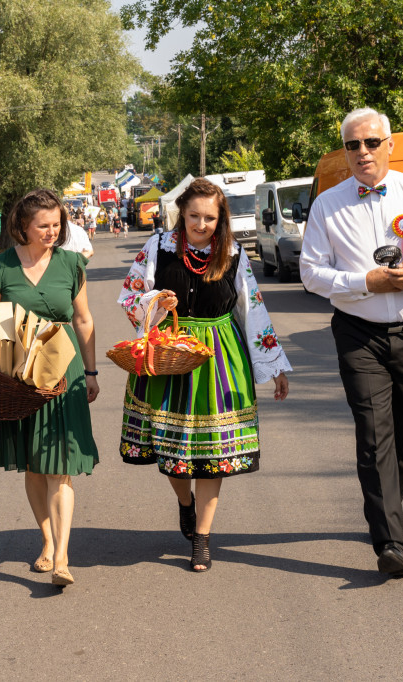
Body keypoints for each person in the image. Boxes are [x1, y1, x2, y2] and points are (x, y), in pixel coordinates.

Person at [299, 107, 403, 578]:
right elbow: (310, 273)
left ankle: (387, 503)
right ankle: (392, 543)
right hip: (358, 334)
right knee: (374, 438)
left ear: (390, 145)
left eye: (371, 143)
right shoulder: (328, 204)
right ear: (345, 152)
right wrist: (364, 281)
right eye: (353, 145)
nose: (363, 152)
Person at [117, 178, 292, 572]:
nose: (200, 224)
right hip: (169, 357)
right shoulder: (157, 248)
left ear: (221, 217)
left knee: (213, 452)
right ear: (182, 213)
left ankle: (203, 538)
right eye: (193, 215)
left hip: (219, 358)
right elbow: (128, 297)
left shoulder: (232, 253)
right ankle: (185, 503)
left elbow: (252, 310)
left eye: (209, 218)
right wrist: (154, 302)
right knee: (173, 448)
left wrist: (274, 365)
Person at [0, 188, 100, 586]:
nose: (52, 232)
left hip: (65, 376)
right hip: (18, 376)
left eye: (57, 224)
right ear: (22, 227)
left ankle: (63, 558)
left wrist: (93, 371)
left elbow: (83, 320)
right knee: (33, 464)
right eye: (44, 226)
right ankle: (47, 542)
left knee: (61, 467)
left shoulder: (71, 264)